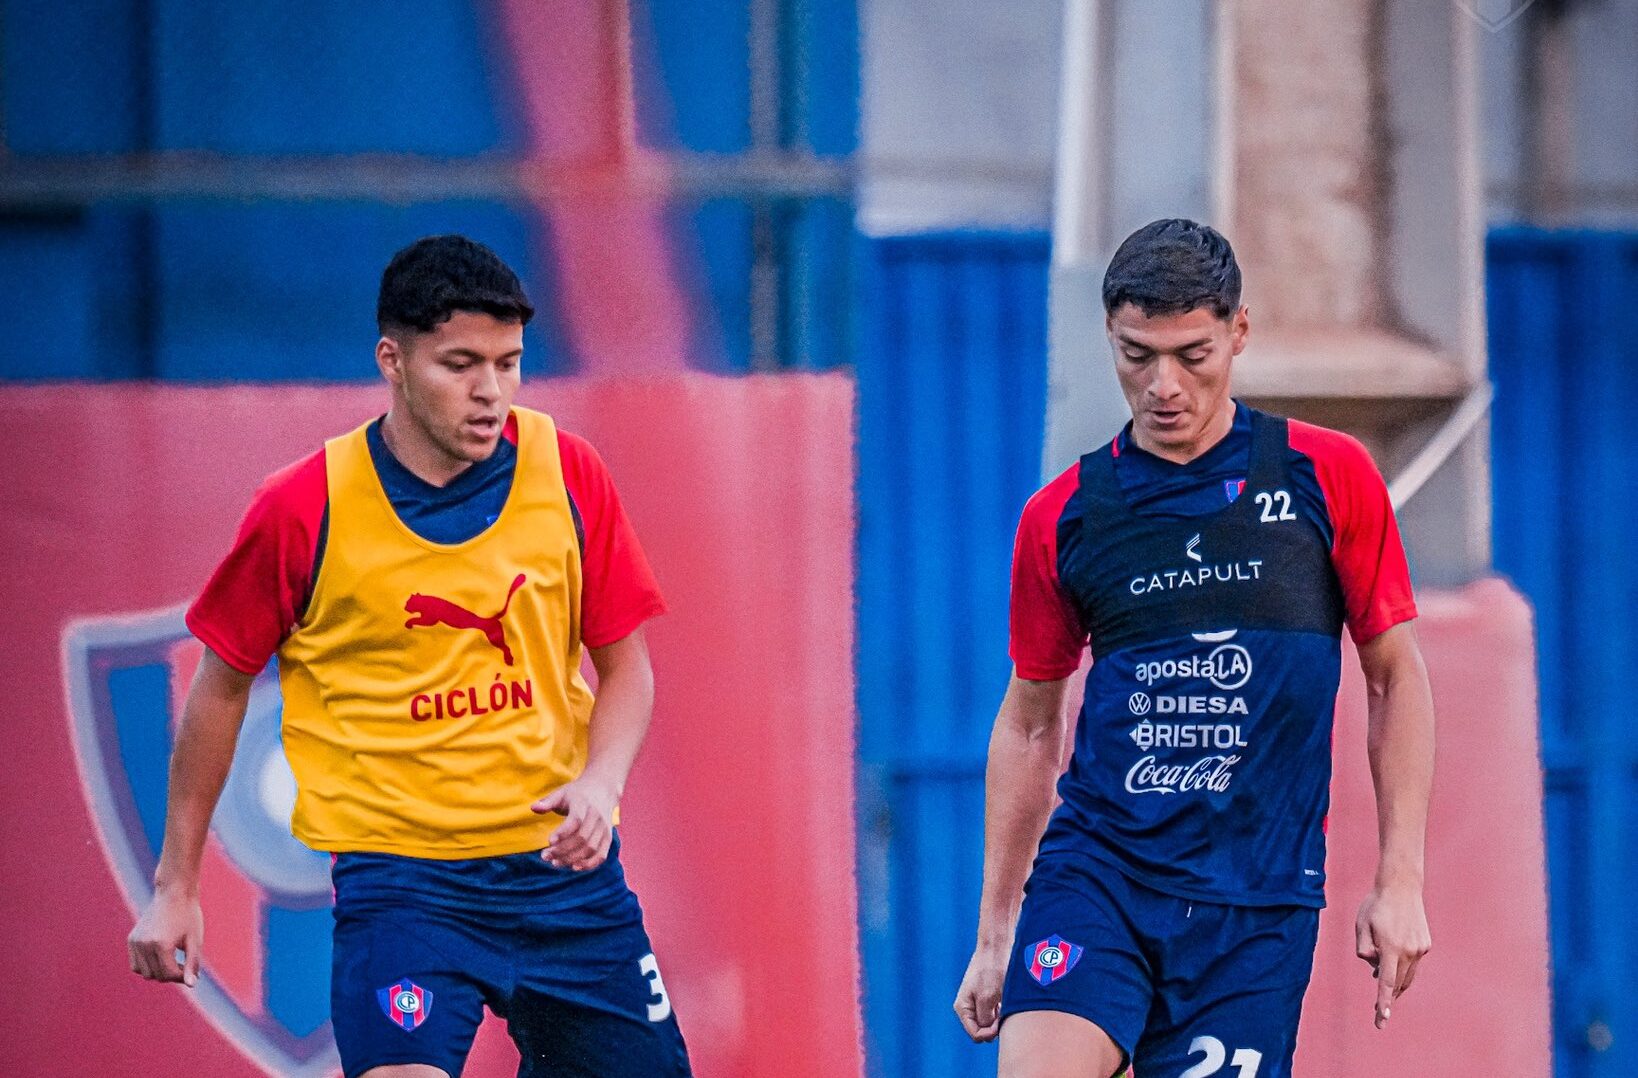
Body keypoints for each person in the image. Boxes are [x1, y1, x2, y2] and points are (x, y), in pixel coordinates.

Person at [126, 235, 692, 1078]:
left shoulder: (569, 473)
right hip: (406, 887)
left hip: (561, 877)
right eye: (460, 363)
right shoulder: (301, 508)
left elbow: (626, 669)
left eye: (508, 363)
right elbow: (218, 693)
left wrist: (602, 785)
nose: (490, 391)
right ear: (392, 359)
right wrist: (176, 886)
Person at [953, 219, 1435, 1077]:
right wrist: (997, 929)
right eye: (1138, 355)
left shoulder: (1329, 479)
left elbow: (1395, 677)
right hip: (1099, 876)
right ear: (1108, 335)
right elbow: (1030, 725)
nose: (1164, 385)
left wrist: (1400, 880)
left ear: (1238, 334)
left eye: (1192, 354)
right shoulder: (1062, 517)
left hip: (1255, 910)